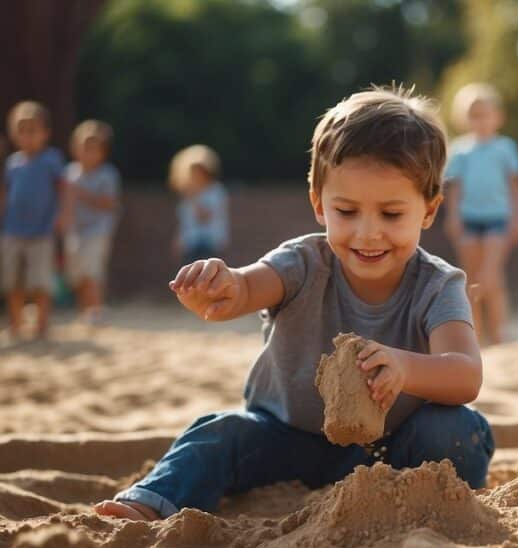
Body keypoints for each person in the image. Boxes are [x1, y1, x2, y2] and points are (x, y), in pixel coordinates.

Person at [95, 88, 493, 521]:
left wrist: (406, 367)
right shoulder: (303, 262)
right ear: (319, 203)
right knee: (218, 432)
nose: (368, 233)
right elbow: (246, 290)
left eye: (391, 215)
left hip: (386, 451)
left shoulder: (437, 285)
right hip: (283, 439)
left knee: (457, 431)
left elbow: (465, 373)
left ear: (429, 210)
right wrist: (219, 286)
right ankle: (150, 503)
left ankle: (425, 508)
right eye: (347, 211)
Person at [443, 83, 518, 345]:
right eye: (473, 114)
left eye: (485, 113)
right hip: (469, 220)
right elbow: (454, 189)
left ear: (497, 116)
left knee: (491, 276)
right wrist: (453, 216)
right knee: (470, 279)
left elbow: (515, 187)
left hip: (497, 219)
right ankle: (476, 334)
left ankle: (499, 331)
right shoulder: (459, 150)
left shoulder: (505, 148)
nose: (479, 120)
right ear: (463, 118)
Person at [1, 101, 64, 340]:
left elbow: (62, 189)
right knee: (12, 281)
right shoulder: (13, 163)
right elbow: (6, 194)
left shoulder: (51, 159)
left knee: (40, 282)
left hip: (42, 230)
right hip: (13, 229)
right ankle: (15, 324)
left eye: (33, 130)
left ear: (46, 133)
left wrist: (63, 215)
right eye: (21, 130)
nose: (27, 136)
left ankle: (42, 325)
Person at [60, 120, 121, 324]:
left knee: (92, 269)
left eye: (93, 149)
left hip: (98, 230)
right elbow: (66, 201)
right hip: (75, 231)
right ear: (75, 148)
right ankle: (85, 310)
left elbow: (109, 203)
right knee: (76, 273)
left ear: (103, 152)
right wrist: (64, 219)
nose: (88, 153)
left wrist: (83, 195)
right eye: (84, 147)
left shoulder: (108, 175)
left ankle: (96, 310)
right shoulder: (70, 173)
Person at [169, 144, 229, 266]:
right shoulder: (189, 194)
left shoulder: (215, 191)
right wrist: (179, 239)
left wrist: (194, 198)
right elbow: (185, 220)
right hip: (190, 242)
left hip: (208, 242)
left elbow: (204, 217)